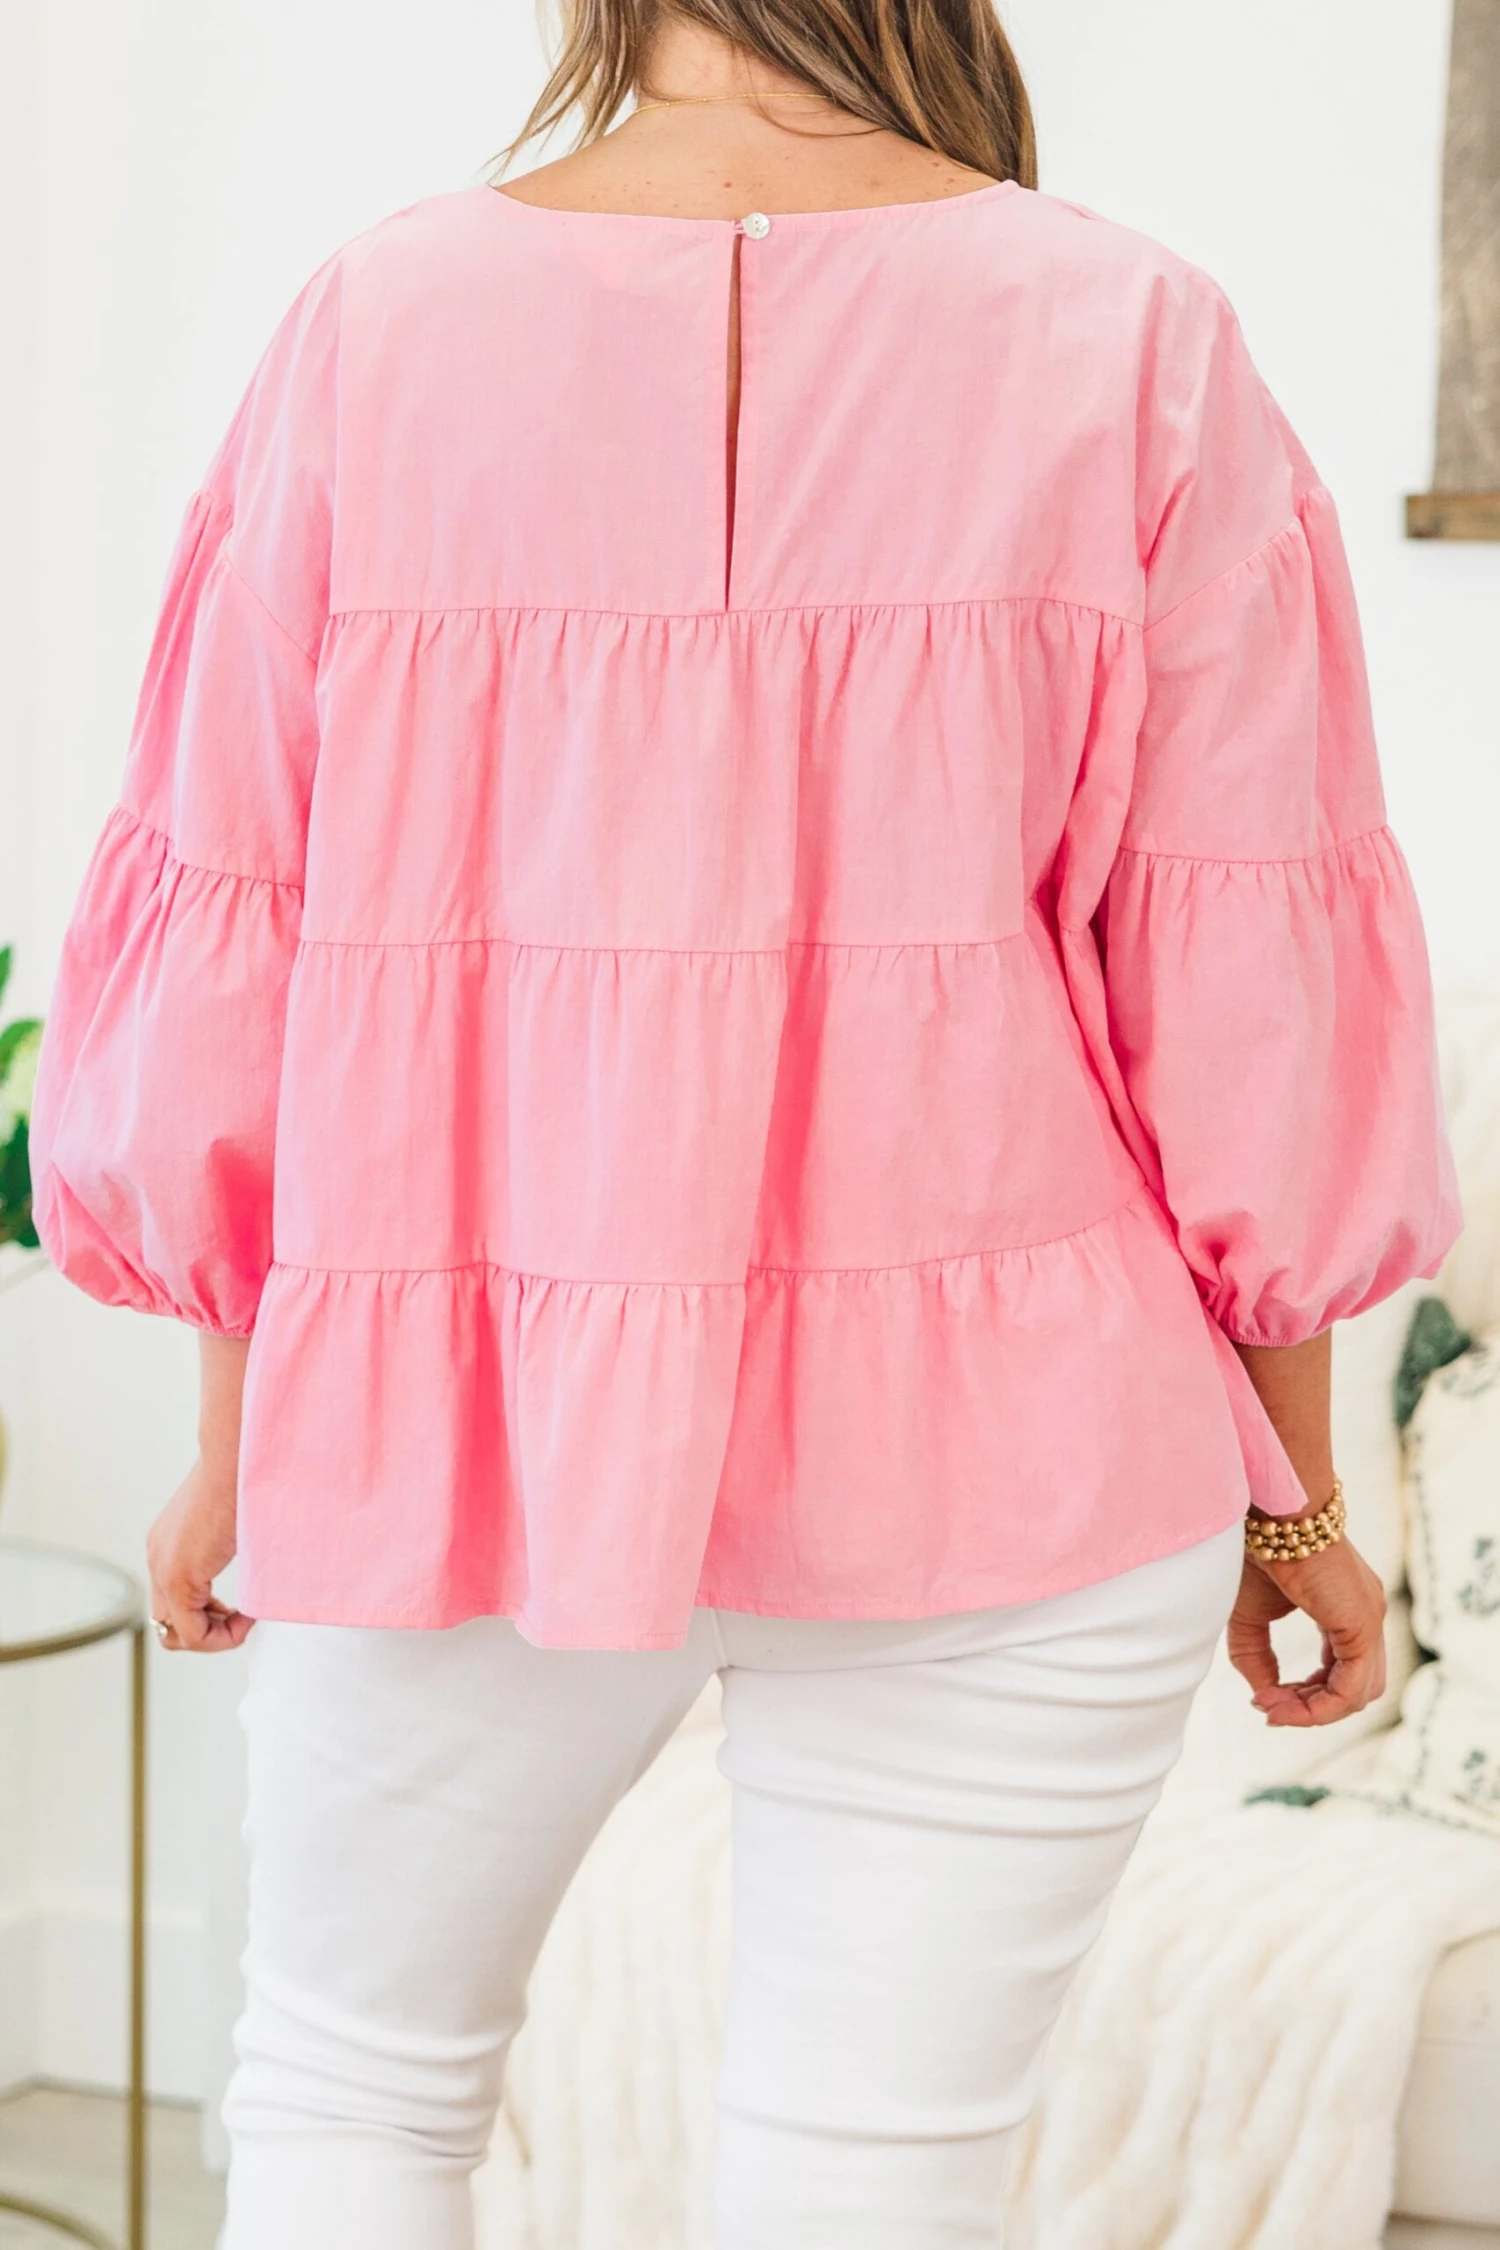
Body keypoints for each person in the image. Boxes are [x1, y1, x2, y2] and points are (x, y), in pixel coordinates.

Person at [28, 2, 1460, 2244]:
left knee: (350, 2095)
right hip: (1024, 1442)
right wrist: (1298, 1502)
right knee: (873, 2190)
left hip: (461, 1411)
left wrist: (245, 1426)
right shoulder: (1133, 336)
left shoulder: (375, 323)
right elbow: (1245, 979)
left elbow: (243, 928)